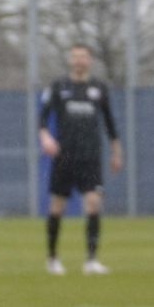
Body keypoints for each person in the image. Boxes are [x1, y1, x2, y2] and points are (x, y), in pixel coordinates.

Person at [38, 43, 123, 274]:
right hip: (64, 156)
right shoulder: (58, 86)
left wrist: (116, 152)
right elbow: (42, 119)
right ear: (70, 60)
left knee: (93, 202)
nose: (78, 61)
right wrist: (45, 137)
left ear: (90, 60)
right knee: (57, 206)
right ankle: (52, 258)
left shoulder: (99, 88)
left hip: (90, 157)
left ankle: (91, 260)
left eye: (83, 57)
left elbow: (110, 124)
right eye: (75, 57)